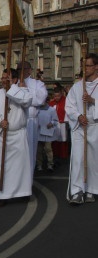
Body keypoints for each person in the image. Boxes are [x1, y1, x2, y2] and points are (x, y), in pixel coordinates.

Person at [0, 68, 32, 208]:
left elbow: (27, 101)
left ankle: (22, 192)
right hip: (1, 135)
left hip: (18, 135)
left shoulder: (22, 92)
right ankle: (2, 194)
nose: (3, 80)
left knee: (20, 166)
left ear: (15, 80)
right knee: (0, 166)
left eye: (7, 78)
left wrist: (12, 89)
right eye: (3, 77)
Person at [65, 52, 98, 205]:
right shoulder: (77, 87)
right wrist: (78, 115)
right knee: (78, 159)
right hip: (80, 128)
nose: (85, 68)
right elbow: (69, 106)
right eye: (83, 65)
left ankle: (91, 189)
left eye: (88, 65)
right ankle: (77, 190)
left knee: (93, 160)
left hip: (95, 127)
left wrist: (93, 101)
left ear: (96, 67)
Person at [16, 61, 48, 175]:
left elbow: (41, 99)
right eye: (19, 69)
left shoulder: (37, 84)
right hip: (16, 121)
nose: (21, 72)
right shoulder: (14, 83)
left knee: (30, 149)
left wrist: (25, 93)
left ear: (30, 70)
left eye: (24, 69)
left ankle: (29, 174)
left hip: (30, 120)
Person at [35, 98, 58, 172]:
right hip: (39, 133)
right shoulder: (37, 110)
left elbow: (55, 120)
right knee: (39, 150)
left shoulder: (52, 110)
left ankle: (50, 164)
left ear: (46, 101)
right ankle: (39, 165)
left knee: (48, 149)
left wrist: (51, 123)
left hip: (48, 133)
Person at [50, 87, 69, 161]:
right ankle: (55, 154)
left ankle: (63, 155)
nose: (57, 98)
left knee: (63, 140)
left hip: (63, 123)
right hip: (54, 124)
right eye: (55, 96)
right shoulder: (51, 103)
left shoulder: (66, 101)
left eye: (58, 96)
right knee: (55, 140)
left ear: (61, 95)